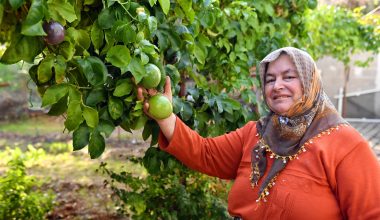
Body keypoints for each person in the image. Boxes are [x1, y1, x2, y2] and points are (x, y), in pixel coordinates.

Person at [137, 47, 380, 219]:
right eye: (270, 79)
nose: (277, 86)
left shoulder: (345, 145)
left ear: (310, 83)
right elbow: (205, 153)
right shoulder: (256, 134)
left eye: (289, 77)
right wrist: (164, 116)